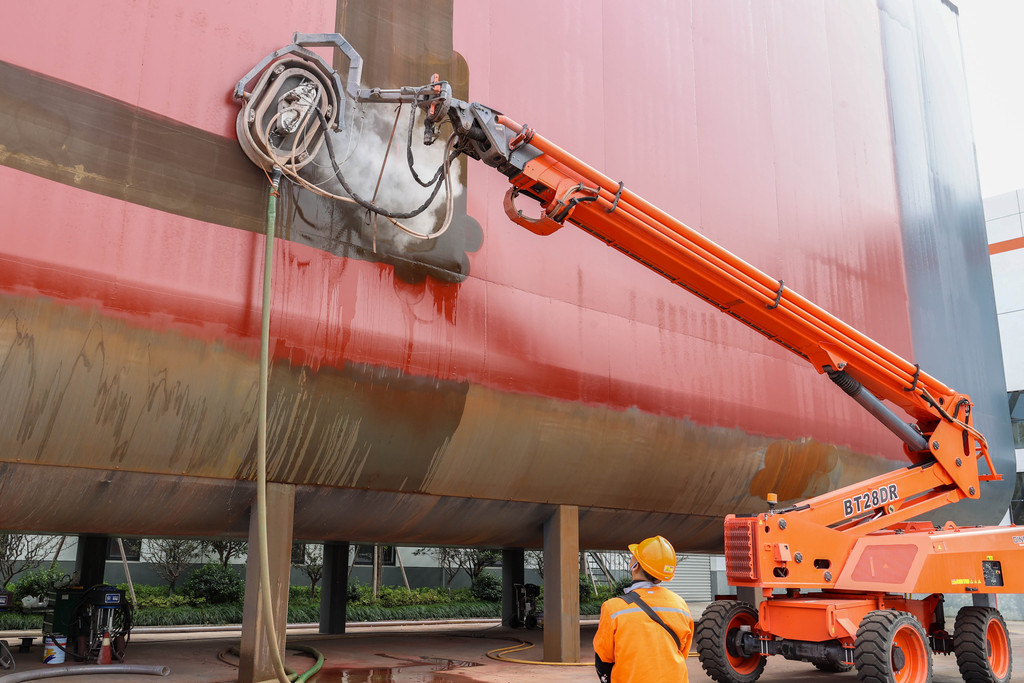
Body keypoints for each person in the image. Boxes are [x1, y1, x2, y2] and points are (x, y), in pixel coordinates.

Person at [593, 536, 693, 682]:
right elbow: (683, 652)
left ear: (636, 566)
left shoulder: (613, 608)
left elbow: (603, 659)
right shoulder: (680, 605)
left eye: (634, 557)